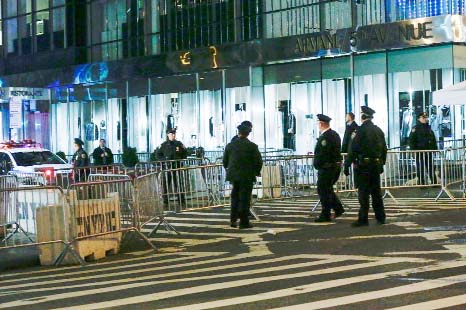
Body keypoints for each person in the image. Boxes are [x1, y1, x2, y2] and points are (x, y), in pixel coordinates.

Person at [344, 106, 387, 227]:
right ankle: (381, 217)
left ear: (362, 116)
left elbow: (353, 149)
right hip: (375, 165)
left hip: (363, 166)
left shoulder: (359, 131)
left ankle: (363, 218)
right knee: (376, 193)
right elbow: (384, 149)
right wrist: (381, 163)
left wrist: (346, 164)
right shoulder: (378, 130)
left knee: (363, 193)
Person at [223, 123, 263, 229]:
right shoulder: (252, 146)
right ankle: (244, 221)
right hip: (247, 176)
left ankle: (233, 220)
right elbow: (258, 162)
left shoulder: (230, 145)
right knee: (244, 199)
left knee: (235, 197)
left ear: (238, 132)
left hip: (234, 176)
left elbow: (225, 162)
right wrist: (256, 171)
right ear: (248, 133)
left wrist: (230, 170)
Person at [313, 114, 345, 222]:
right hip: (334, 166)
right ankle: (338, 208)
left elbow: (323, 153)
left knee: (323, 190)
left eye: (318, 123)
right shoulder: (334, 134)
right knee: (328, 189)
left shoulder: (325, 137)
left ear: (321, 124)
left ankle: (325, 214)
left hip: (327, 167)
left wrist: (317, 164)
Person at [156, 128, 188, 207]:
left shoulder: (179, 144)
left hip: (177, 167)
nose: (173, 135)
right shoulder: (163, 145)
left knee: (179, 184)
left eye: (174, 134)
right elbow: (157, 155)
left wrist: (180, 160)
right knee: (166, 185)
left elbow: (185, 153)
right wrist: (165, 161)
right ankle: (165, 201)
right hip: (167, 168)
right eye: (171, 134)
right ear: (168, 135)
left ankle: (181, 200)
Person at [408, 112, 438, 185]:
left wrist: (434, 149)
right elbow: (411, 141)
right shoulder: (415, 128)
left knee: (431, 167)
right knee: (420, 168)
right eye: (423, 117)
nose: (425, 119)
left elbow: (433, 139)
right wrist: (413, 151)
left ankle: (434, 182)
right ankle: (421, 183)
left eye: (426, 117)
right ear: (419, 119)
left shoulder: (429, 128)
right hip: (420, 152)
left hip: (429, 152)